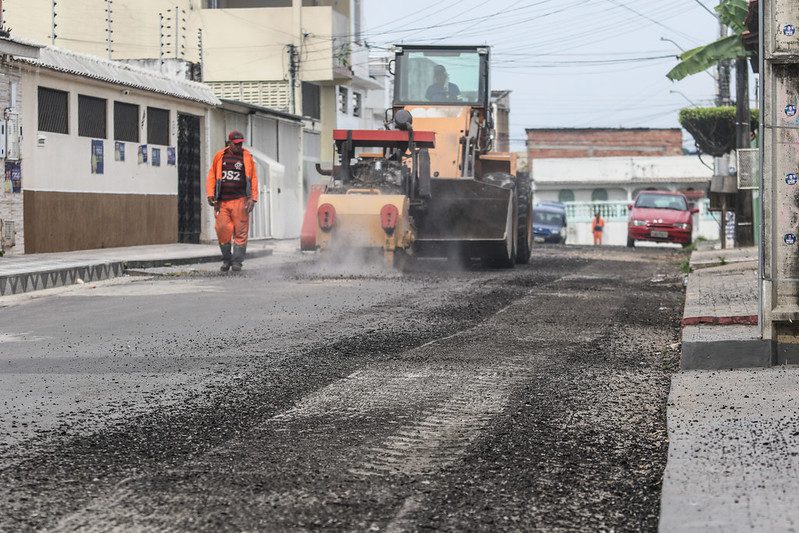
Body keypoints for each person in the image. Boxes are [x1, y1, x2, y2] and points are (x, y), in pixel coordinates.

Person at [206, 130, 258, 271]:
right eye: (236, 144)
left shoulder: (247, 157)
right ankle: (226, 259)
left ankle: (237, 262)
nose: (239, 146)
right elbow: (212, 175)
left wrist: (253, 199)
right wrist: (210, 194)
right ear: (229, 143)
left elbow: (253, 178)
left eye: (240, 144)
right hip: (222, 202)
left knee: (240, 232)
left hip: (240, 200)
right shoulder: (220, 156)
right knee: (222, 230)